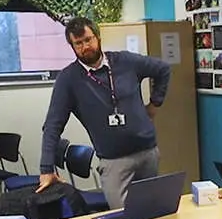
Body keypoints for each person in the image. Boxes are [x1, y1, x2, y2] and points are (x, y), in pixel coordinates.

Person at [37, 17, 171, 206]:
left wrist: (155, 104)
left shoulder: (125, 61)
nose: (85, 46)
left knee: (151, 214)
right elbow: (52, 125)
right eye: (78, 43)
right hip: (114, 162)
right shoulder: (69, 79)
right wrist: (46, 168)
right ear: (72, 46)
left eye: (88, 39)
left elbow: (163, 69)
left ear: (98, 37)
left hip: (147, 153)